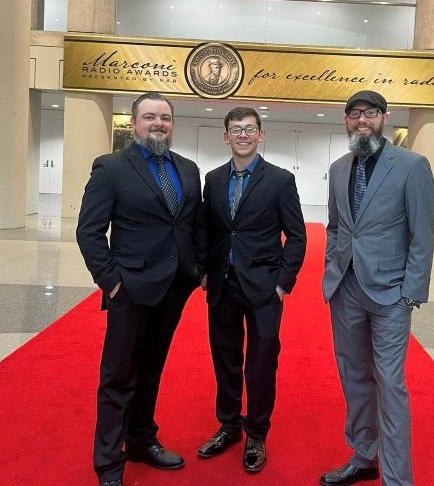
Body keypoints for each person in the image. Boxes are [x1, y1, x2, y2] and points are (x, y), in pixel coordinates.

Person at [76, 92, 206, 486]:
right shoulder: (111, 168)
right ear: (133, 123)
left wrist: (196, 270)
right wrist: (111, 282)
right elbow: (89, 231)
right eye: (149, 117)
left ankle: (141, 440)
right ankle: (109, 464)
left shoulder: (188, 169)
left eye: (165, 117)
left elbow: (193, 224)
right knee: (118, 377)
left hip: (173, 288)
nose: (158, 124)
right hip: (129, 290)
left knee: (151, 369)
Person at [320, 90, 434, 486]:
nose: (361, 120)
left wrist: (411, 292)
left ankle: (397, 479)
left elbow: (422, 234)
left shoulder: (411, 166)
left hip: (391, 294)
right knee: (353, 377)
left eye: (369, 113)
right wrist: (331, 271)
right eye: (354, 114)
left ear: (384, 117)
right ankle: (365, 456)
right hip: (346, 289)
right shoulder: (338, 168)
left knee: (390, 383)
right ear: (346, 120)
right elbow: (335, 227)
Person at [198, 107, 307, 473]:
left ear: (261, 135)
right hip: (222, 286)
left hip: (264, 289)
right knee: (225, 360)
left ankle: (256, 433)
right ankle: (228, 425)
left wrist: (282, 285)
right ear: (226, 137)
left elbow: (296, 236)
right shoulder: (213, 180)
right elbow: (207, 231)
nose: (242, 135)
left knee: (260, 365)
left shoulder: (279, 180)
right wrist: (203, 273)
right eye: (235, 129)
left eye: (249, 129)